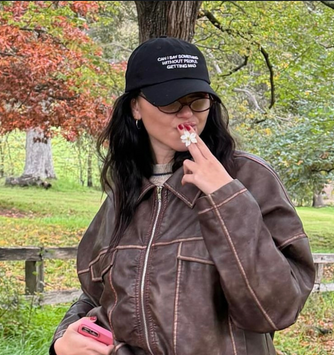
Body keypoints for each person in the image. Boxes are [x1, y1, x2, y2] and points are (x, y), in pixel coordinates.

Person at [50, 36, 315, 355]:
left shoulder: (249, 177)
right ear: (136, 106)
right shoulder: (124, 193)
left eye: (197, 100)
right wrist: (64, 338)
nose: (187, 114)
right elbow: (96, 296)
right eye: (170, 101)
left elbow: (276, 309)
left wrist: (226, 197)